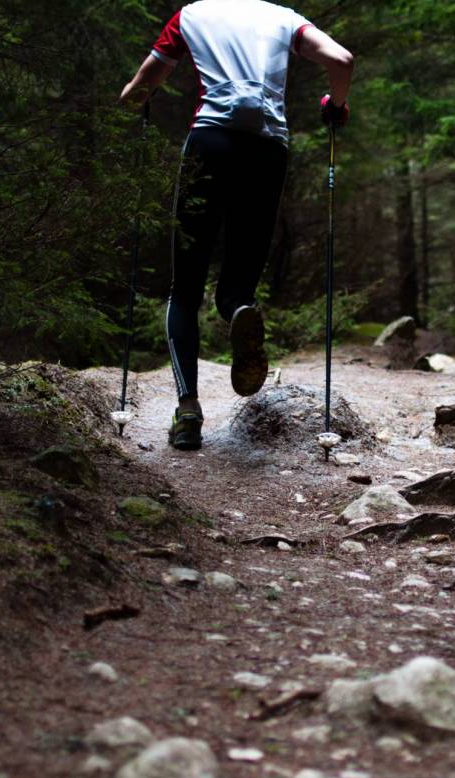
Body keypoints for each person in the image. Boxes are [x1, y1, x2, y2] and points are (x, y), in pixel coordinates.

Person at [120, 0, 354, 450]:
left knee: (185, 287)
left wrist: (133, 97)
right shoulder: (284, 18)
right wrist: (335, 106)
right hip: (267, 149)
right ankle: (239, 311)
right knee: (239, 285)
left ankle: (188, 412)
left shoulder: (192, 16)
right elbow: (341, 60)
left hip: (210, 142)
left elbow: (146, 81)